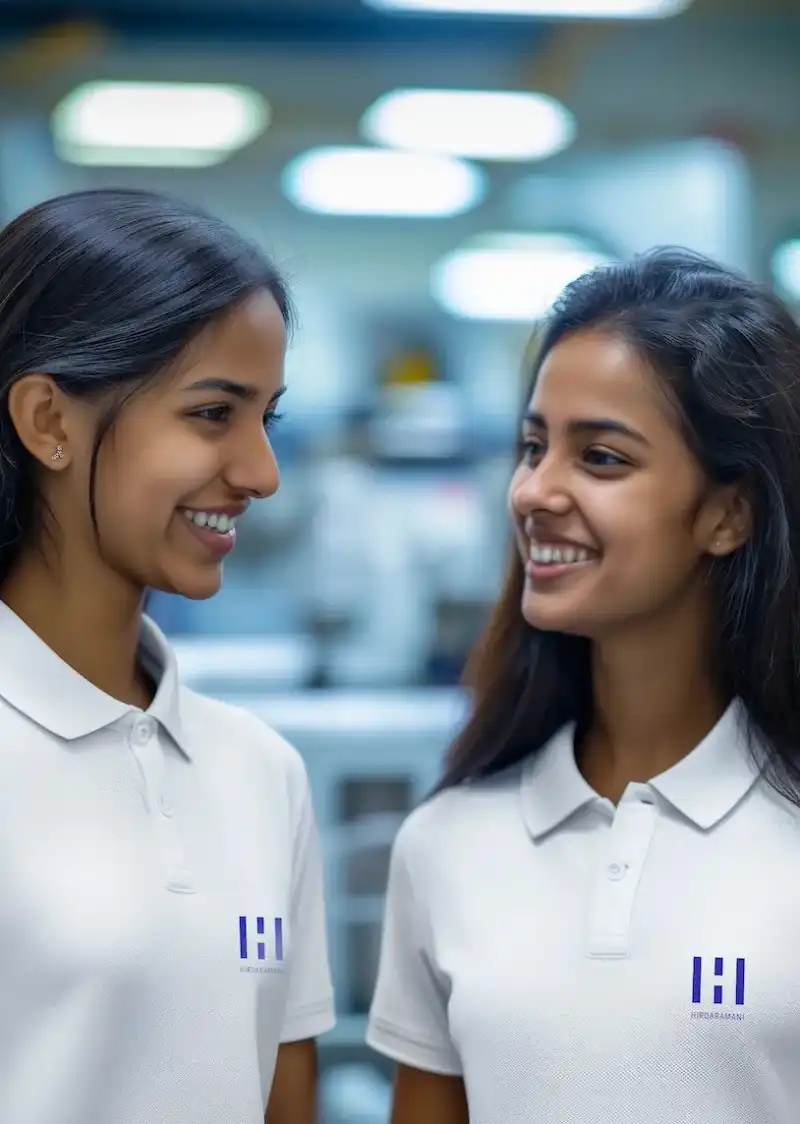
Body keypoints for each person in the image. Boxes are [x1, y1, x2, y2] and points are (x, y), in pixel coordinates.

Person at [366, 248, 800, 1124]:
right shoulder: (447, 843)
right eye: (533, 447)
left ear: (729, 512)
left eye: (600, 458)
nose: (535, 490)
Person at [0, 188, 334, 1124]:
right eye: (213, 413)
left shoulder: (262, 772)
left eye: (266, 416)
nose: (262, 472)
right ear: (48, 422)